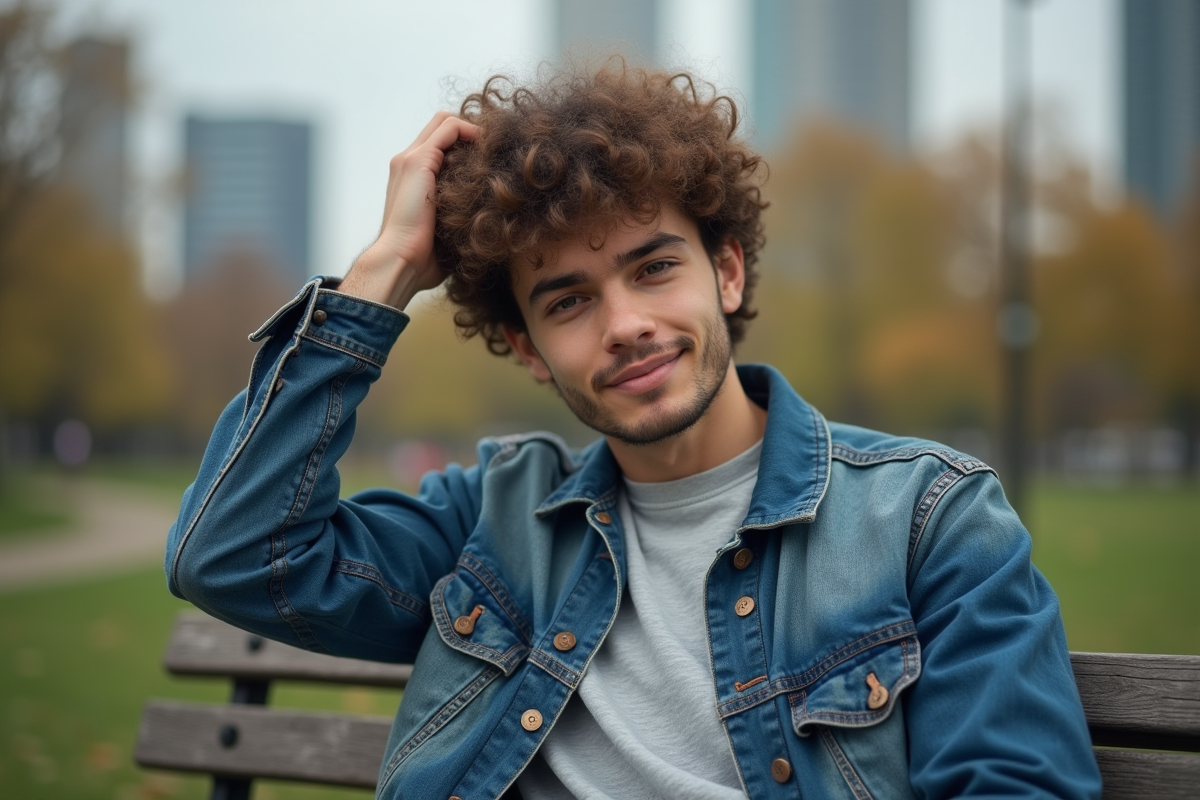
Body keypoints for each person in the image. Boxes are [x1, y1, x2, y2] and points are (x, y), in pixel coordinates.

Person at [166, 62, 1102, 799]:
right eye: (568, 301)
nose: (624, 325)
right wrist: (384, 272)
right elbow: (233, 555)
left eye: (654, 269)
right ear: (528, 350)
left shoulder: (927, 519)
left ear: (726, 273)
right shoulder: (492, 524)